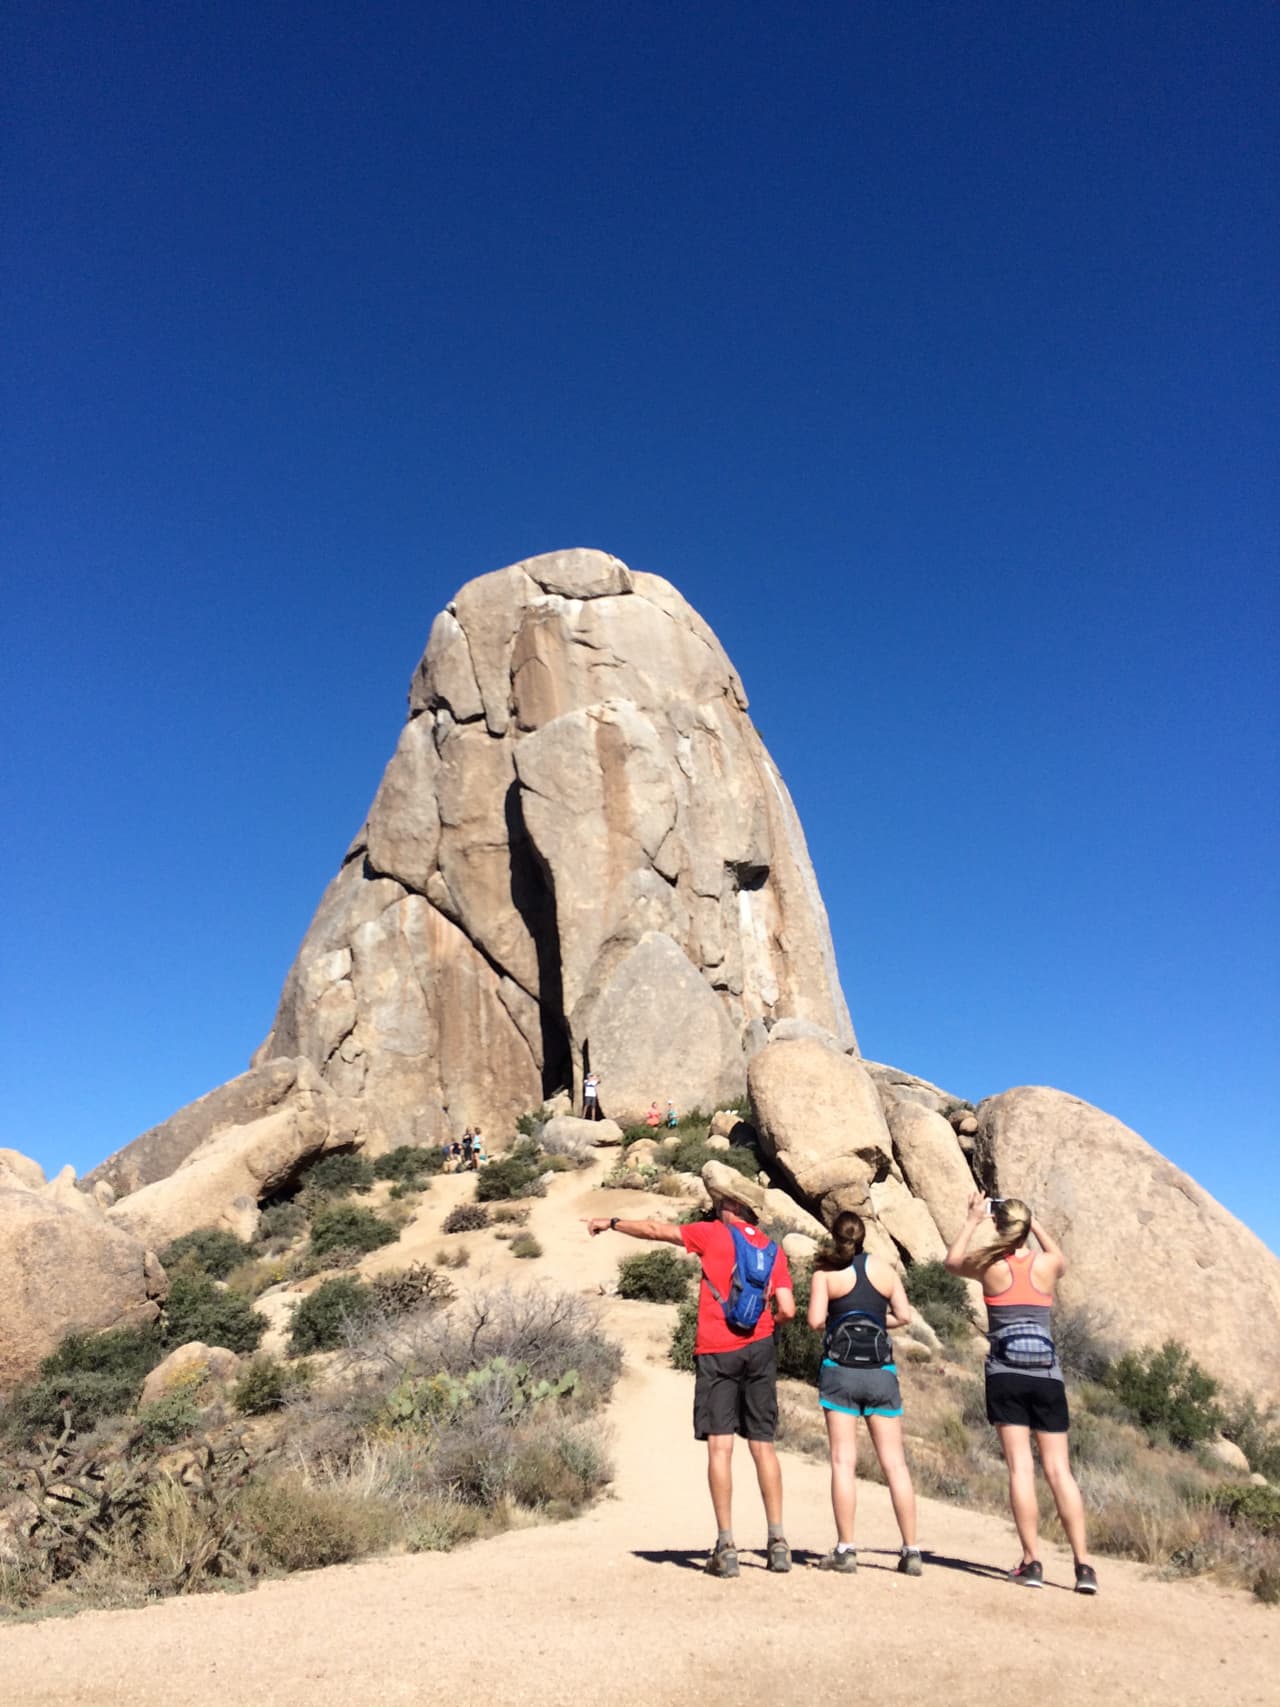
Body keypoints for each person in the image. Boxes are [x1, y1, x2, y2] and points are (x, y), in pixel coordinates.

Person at [586, 1170, 795, 1577]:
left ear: (733, 1208)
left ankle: (727, 1546)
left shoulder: (712, 1234)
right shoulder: (772, 1249)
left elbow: (653, 1230)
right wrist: (764, 1328)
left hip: (717, 1349)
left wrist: (610, 1223)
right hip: (761, 1348)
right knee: (763, 1446)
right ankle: (778, 1542)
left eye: (723, 1202)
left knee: (721, 1447)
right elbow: (786, 1307)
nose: (718, 1205)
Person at [945, 1192, 1098, 1594]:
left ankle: (1032, 1562)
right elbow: (1057, 1253)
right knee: (1059, 1470)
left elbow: (950, 1262)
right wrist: (1035, 1223)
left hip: (1006, 1374)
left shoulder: (989, 1266)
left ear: (999, 1226)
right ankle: (1084, 1567)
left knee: (1020, 1469)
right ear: (1027, 1228)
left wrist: (973, 1218)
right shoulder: (1048, 1265)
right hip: (1047, 1375)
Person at [807, 1211, 923, 1576]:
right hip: (880, 1374)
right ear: (864, 1237)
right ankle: (911, 1551)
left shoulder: (825, 1274)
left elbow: (814, 1321)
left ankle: (846, 1549)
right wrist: (874, 1319)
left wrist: (842, 1319)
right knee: (896, 1465)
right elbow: (904, 1316)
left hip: (840, 1372)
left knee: (844, 1461)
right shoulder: (886, 1271)